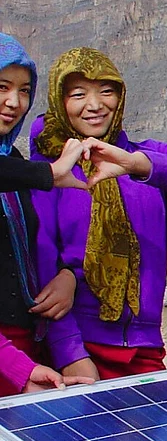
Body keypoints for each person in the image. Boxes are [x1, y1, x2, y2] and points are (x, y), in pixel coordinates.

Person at [30, 47, 167, 380]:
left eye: (107, 91)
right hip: (79, 349)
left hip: (144, 347)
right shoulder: (50, 171)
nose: (96, 105)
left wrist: (134, 164)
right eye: (78, 94)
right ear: (59, 100)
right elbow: (43, 271)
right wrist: (70, 353)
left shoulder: (145, 156)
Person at [0, 33, 93, 395]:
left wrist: (69, 275)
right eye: (3, 86)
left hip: (24, 347)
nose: (14, 102)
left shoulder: (16, 165)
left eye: (24, 91)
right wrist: (49, 174)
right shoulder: (27, 173)